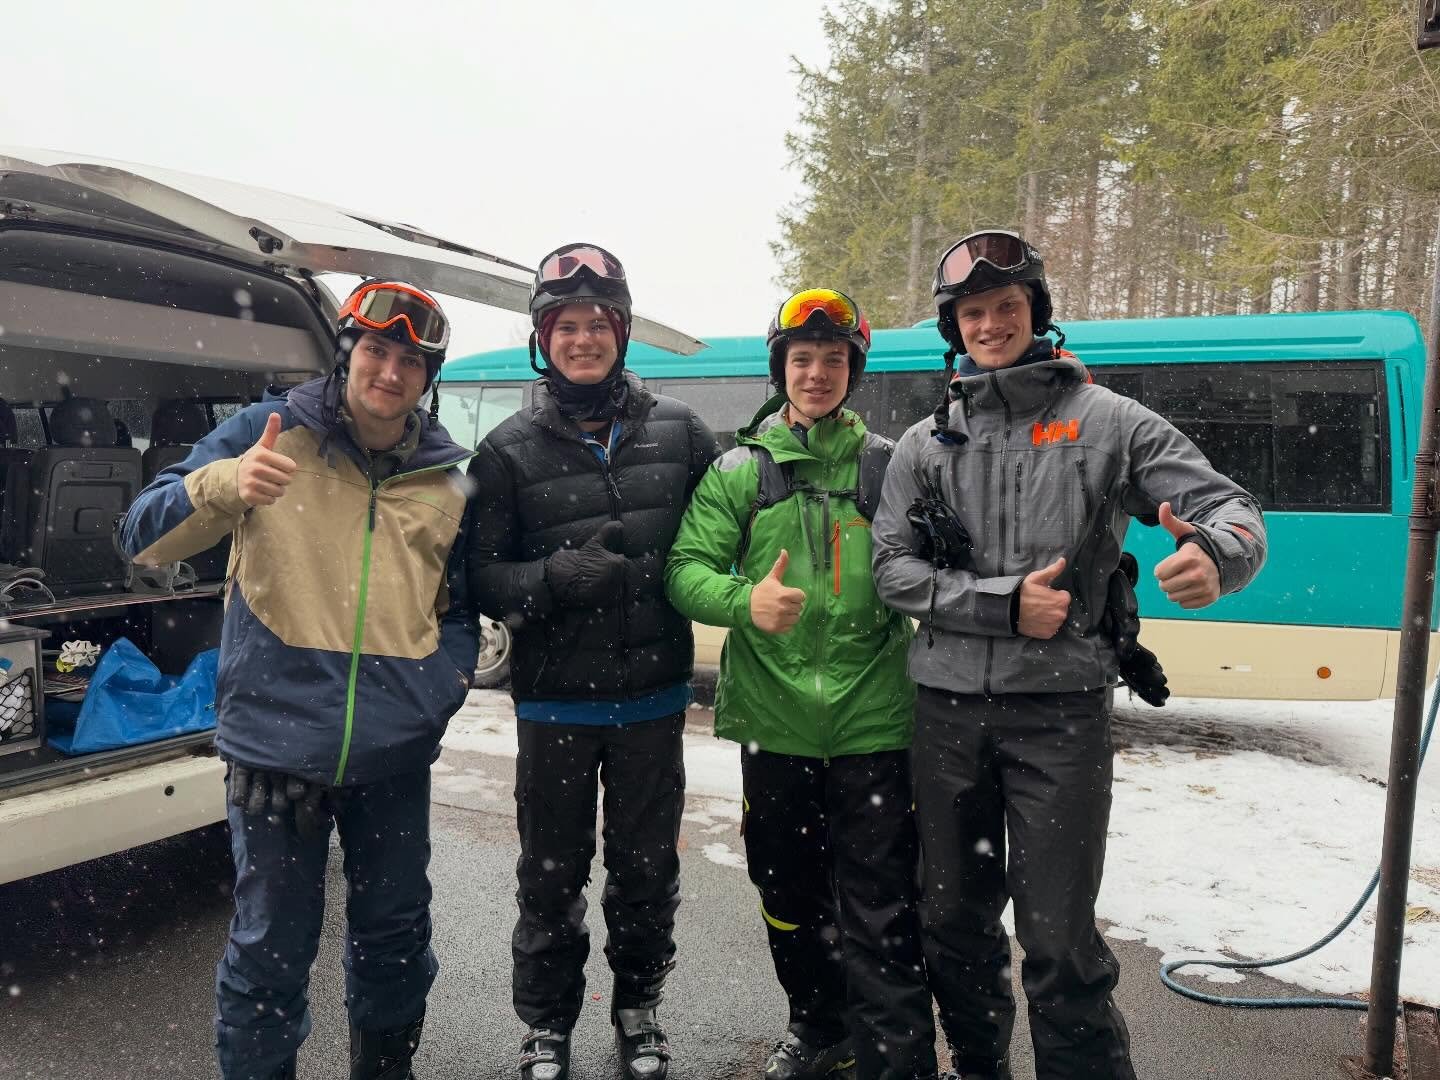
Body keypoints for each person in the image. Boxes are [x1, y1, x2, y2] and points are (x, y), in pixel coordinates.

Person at [870, 231, 1268, 1080]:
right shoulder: (923, 444)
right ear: (953, 328)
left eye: (1006, 307)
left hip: (1059, 719)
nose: (990, 324)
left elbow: (1229, 507)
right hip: (944, 716)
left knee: (1057, 938)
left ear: (1036, 312)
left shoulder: (1107, 422)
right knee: (953, 921)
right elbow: (891, 571)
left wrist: (1217, 554)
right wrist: (1002, 604)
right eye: (972, 313)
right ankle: (979, 1065)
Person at [121, 280, 478, 1080]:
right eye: (376, 351)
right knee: (270, 952)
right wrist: (227, 483)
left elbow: (459, 610)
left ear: (429, 379)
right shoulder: (270, 430)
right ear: (348, 355)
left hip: (394, 755)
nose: (390, 373)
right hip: (275, 755)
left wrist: (437, 691)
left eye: (411, 362)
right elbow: (140, 536)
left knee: (396, 940)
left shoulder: (448, 478)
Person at [665, 289, 939, 1080]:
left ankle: (893, 1051)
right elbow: (684, 569)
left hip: (874, 723)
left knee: (882, 899)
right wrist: (743, 602)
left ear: (854, 371)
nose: (816, 373)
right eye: (802, 359)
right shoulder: (739, 470)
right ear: (780, 368)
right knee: (785, 892)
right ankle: (818, 1027)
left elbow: (942, 565)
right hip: (773, 723)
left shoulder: (890, 465)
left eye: (833, 360)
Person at [465, 243, 719, 1080]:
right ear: (544, 340)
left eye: (597, 325)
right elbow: (477, 576)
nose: (583, 340)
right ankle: (546, 1023)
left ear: (621, 332)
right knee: (551, 875)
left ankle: (639, 1008)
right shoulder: (506, 449)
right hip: (555, 703)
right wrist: (551, 579)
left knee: (646, 870)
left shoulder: (680, 430)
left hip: (652, 700)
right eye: (566, 327)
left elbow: (738, 523)